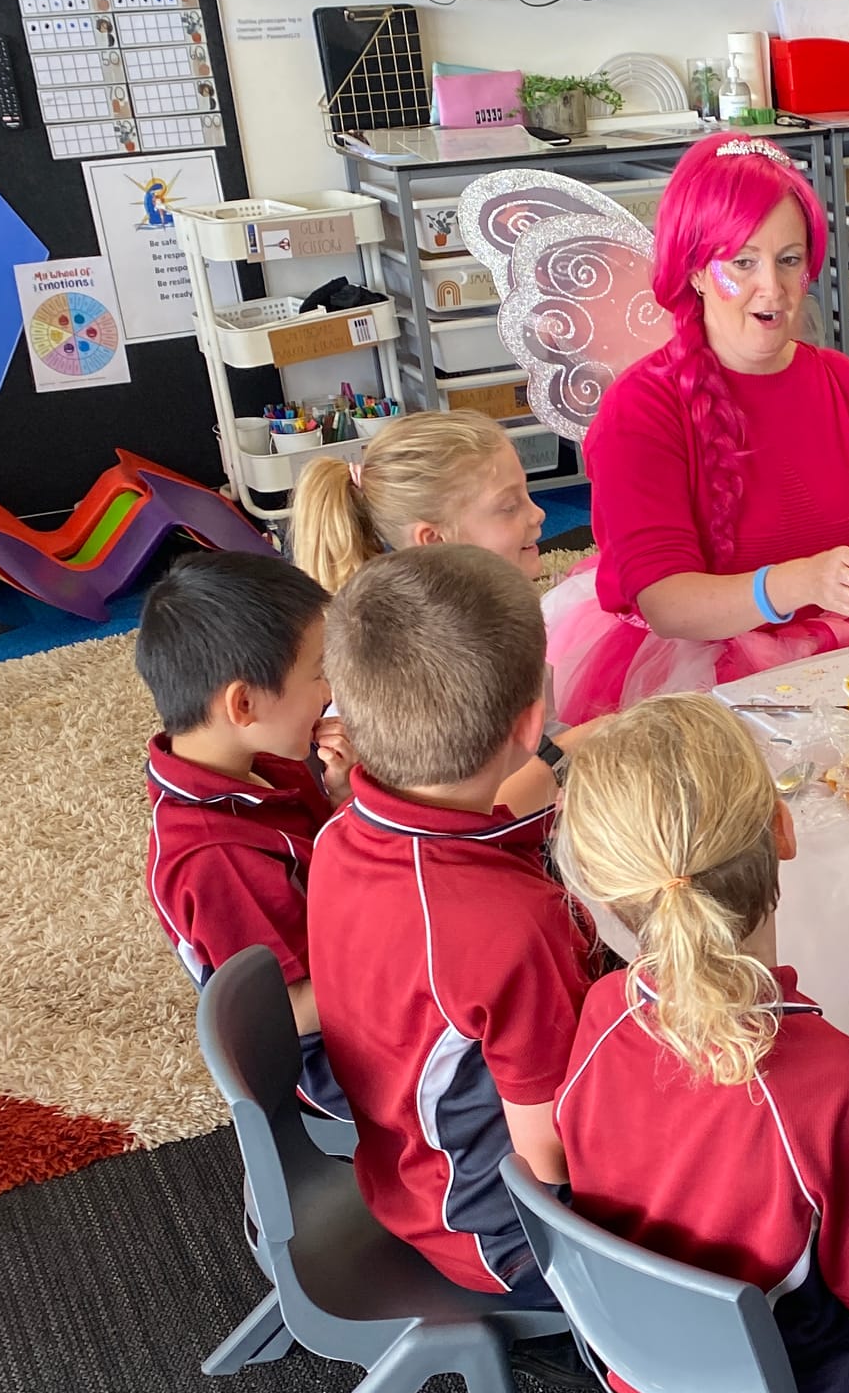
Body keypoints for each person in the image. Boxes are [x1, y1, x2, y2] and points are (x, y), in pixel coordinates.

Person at [552, 696, 849, 1393]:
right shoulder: (841, 1083)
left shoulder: (603, 1008)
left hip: (631, 1356)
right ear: (784, 827)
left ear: (603, 888)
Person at [547, 132, 849, 720]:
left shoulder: (839, 383)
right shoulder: (641, 408)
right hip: (690, 669)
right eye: (742, 261)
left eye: (789, 260)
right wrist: (803, 582)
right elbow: (668, 605)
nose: (773, 288)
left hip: (837, 644)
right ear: (695, 272)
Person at [308, 546, 601, 1307]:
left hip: (402, 1170)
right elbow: (555, 1159)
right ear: (531, 721)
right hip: (507, 1235)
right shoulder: (511, 926)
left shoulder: (341, 833)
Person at [137, 547, 346, 1118]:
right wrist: (410, 953)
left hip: (343, 949)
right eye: (318, 672)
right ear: (245, 702)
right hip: (326, 1064)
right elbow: (292, 1011)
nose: (330, 690)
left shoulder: (255, 759)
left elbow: (319, 860)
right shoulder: (216, 857)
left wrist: (341, 798)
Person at [290, 407, 544, 592]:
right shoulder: (450, 649)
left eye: (525, 493)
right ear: (434, 541)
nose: (538, 514)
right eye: (510, 507)